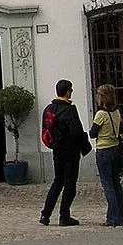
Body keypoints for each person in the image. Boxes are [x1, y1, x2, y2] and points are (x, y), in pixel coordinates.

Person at [40, 78, 85, 227]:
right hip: (70, 151)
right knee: (70, 183)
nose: (71, 93)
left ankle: (45, 214)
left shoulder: (49, 109)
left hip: (57, 151)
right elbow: (76, 132)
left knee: (57, 182)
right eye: (70, 90)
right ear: (67, 91)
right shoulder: (69, 109)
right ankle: (64, 215)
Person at [89, 84, 123, 228]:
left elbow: (93, 133)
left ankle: (113, 218)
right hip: (115, 148)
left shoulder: (101, 114)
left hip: (104, 150)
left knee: (108, 185)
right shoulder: (116, 113)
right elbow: (119, 130)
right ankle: (121, 216)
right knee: (116, 184)